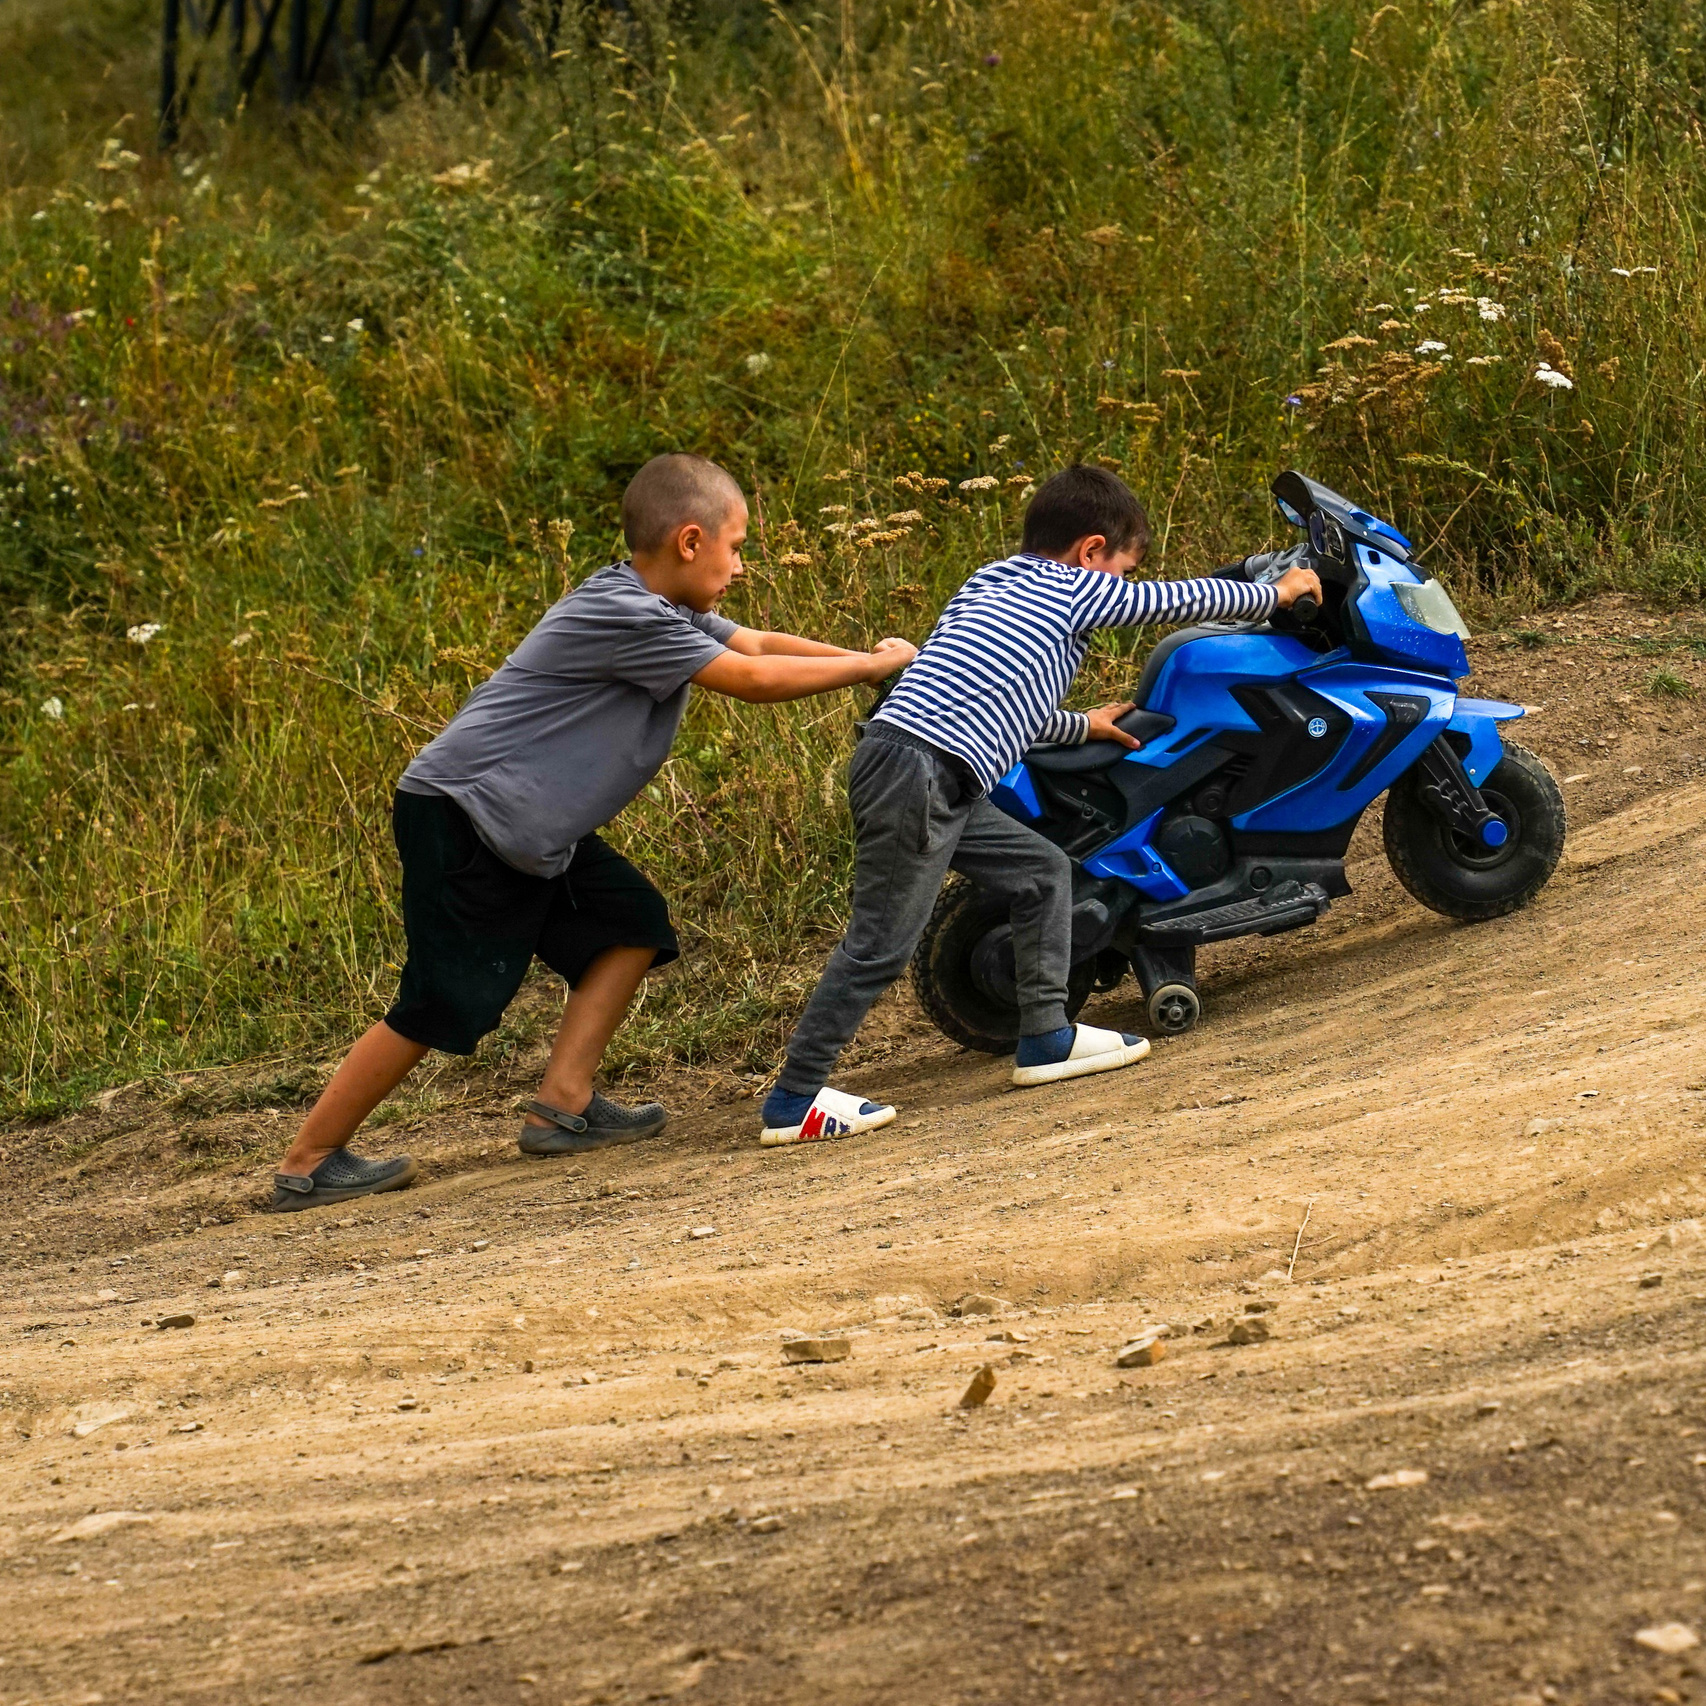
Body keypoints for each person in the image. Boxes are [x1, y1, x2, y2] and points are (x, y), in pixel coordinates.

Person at [270, 453, 916, 1211]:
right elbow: (751, 681)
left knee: (627, 924)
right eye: (736, 548)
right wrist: (867, 668)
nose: (741, 567)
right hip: (466, 817)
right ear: (690, 541)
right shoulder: (627, 615)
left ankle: (563, 1106)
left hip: (527, 830)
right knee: (445, 999)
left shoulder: (661, 605)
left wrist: (875, 662)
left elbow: (757, 645)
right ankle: (309, 1161)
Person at [759, 463, 1321, 1146]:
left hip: (932, 769)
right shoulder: (1071, 587)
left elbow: (996, 700)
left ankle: (1047, 1037)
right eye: (1121, 571)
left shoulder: (992, 580)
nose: (1122, 586)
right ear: (1091, 551)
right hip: (919, 771)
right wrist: (1274, 592)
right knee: (880, 944)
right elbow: (1168, 603)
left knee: (1042, 872)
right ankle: (793, 1100)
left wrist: (1081, 725)